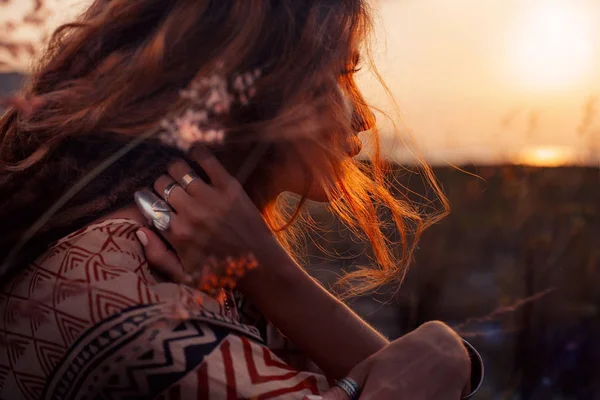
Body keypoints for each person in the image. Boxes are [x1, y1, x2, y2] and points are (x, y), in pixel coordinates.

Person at [0, 1, 482, 399]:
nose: (363, 119)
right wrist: (442, 352)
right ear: (246, 94)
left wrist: (272, 274)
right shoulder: (138, 299)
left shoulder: (195, 264)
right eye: (338, 77)